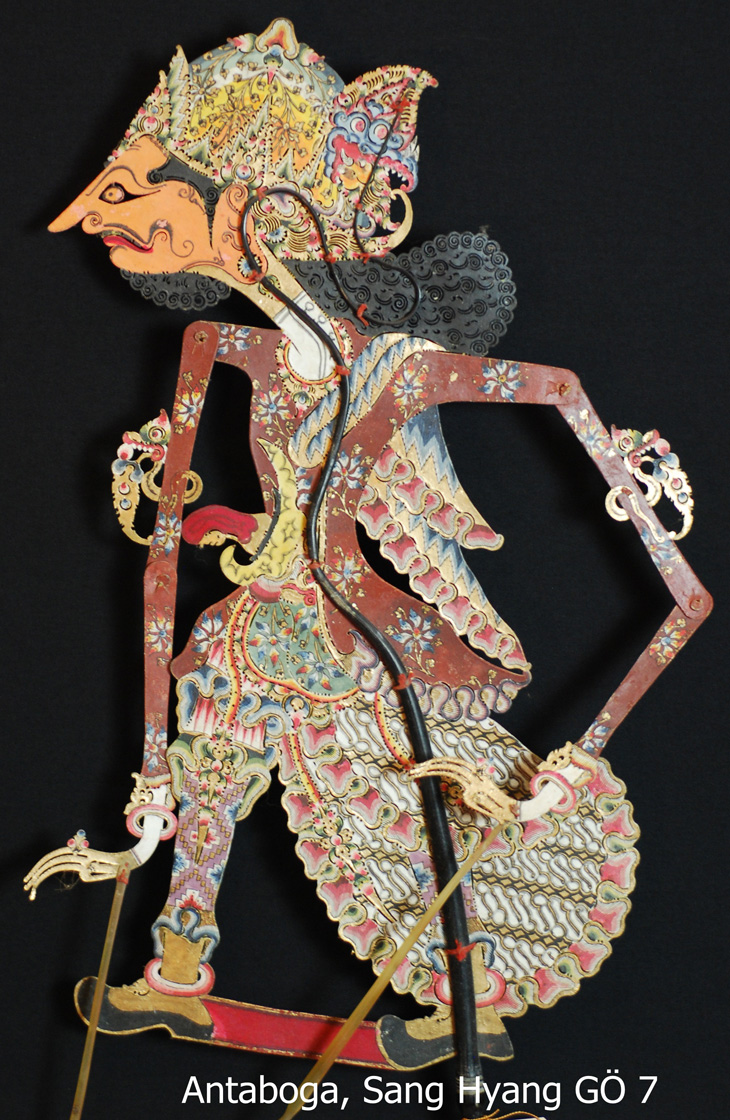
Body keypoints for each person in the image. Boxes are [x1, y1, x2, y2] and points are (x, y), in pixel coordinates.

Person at [41, 18, 647, 1071]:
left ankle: (464, 983)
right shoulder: (226, 348)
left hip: (360, 638)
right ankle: (178, 963)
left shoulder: (404, 371)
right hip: (265, 614)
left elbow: (683, 592)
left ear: (260, 208)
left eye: (150, 191)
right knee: (214, 717)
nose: (107, 217)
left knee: (404, 823)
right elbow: (172, 562)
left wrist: (574, 761)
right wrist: (147, 780)